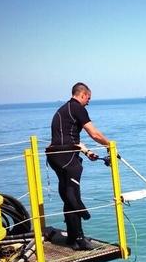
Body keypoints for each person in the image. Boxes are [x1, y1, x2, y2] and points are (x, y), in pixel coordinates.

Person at [46, 83, 111, 250]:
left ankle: (72, 237)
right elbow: (94, 133)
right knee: (73, 194)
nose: (88, 102)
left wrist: (88, 152)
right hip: (66, 157)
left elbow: (70, 138)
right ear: (82, 95)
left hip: (56, 156)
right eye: (88, 98)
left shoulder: (65, 109)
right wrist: (110, 145)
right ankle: (81, 235)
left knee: (67, 193)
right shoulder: (77, 108)